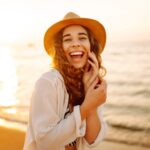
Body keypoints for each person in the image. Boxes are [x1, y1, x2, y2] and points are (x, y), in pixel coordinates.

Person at [23, 12, 107, 150]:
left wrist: (90, 97)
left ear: (91, 46)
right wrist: (86, 107)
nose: (75, 44)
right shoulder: (47, 83)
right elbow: (45, 141)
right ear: (60, 47)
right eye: (68, 39)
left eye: (82, 38)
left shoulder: (92, 85)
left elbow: (92, 141)